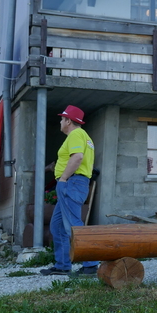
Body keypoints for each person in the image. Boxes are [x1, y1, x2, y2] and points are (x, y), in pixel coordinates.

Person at [40, 105, 99, 277]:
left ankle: (91, 265)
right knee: (57, 226)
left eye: (62, 119)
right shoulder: (84, 136)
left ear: (68, 121)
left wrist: (63, 178)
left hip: (71, 182)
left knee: (73, 225)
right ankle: (63, 265)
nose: (60, 122)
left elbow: (78, 157)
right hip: (74, 183)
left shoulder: (75, 134)